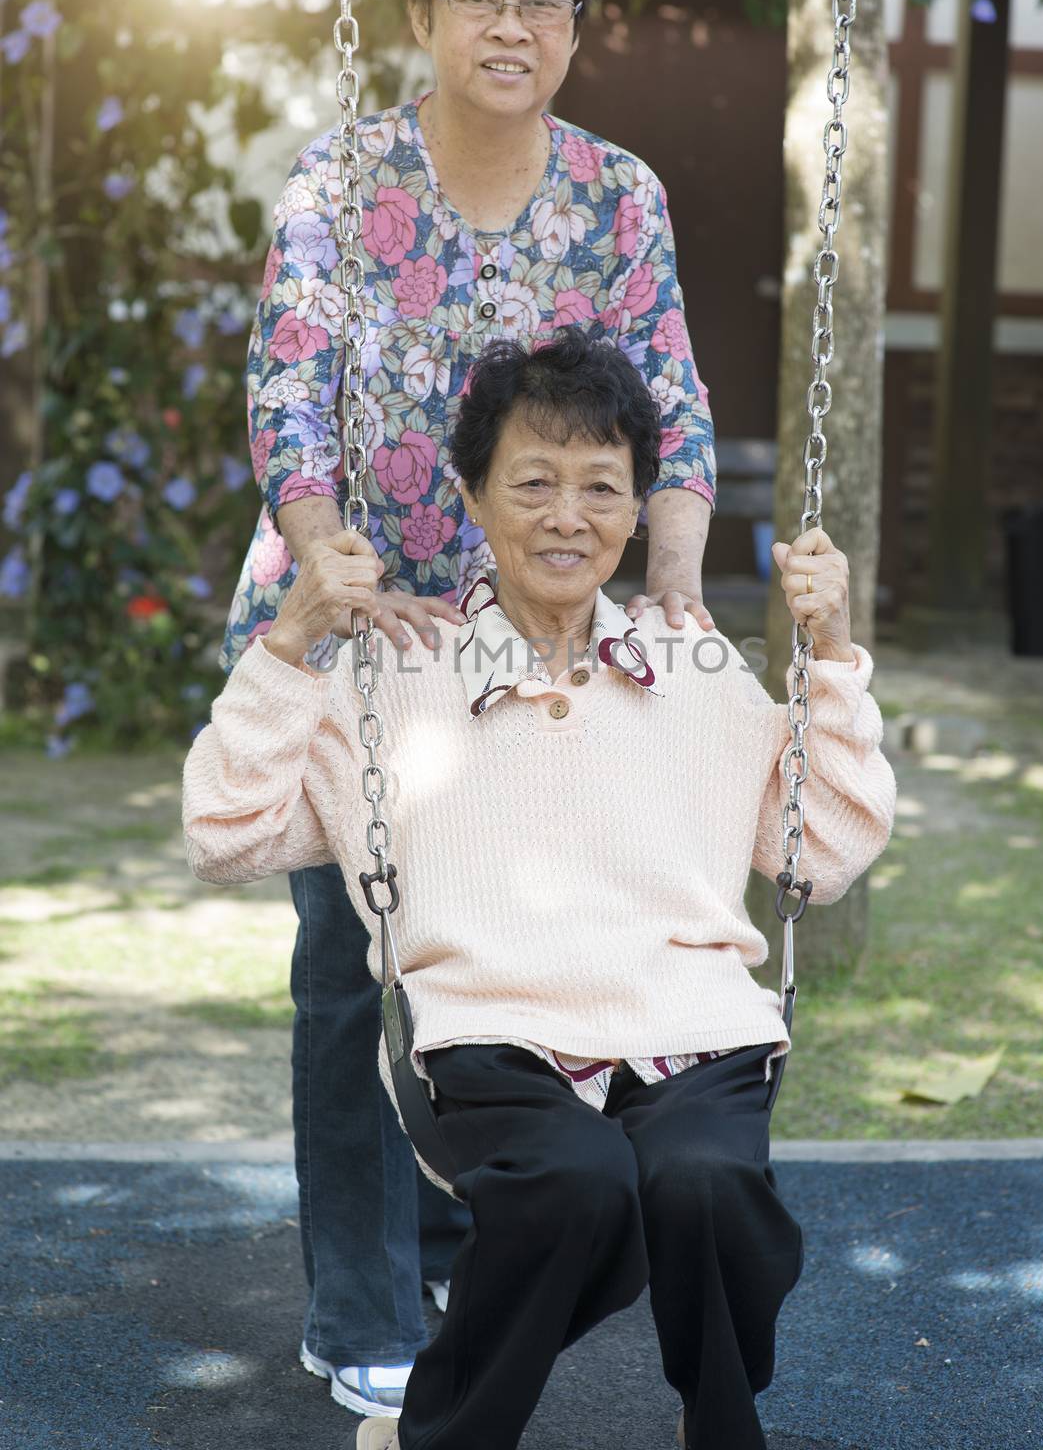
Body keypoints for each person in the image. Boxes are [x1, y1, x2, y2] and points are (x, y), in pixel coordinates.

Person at [187, 328, 897, 1450]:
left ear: (635, 511)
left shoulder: (696, 667)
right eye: (534, 482)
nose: (569, 514)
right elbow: (222, 832)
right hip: (490, 1028)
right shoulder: (400, 676)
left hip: (688, 1025)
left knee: (707, 1187)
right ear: (473, 496)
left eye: (601, 487)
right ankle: (448, 1433)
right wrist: (293, 642)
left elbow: (821, 851)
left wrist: (834, 651)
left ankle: (720, 1429)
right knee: (577, 1186)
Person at [218, 0, 718, 1415]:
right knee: (349, 956)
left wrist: (680, 598)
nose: (512, 27)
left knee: (501, 952)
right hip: (358, 617)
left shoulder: (617, 197)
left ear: (575, 27)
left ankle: (450, 1221)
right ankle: (358, 1296)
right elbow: (289, 388)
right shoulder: (343, 181)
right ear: (425, 12)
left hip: (531, 638)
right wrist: (325, 558)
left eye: (542, 5)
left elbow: (678, 419)